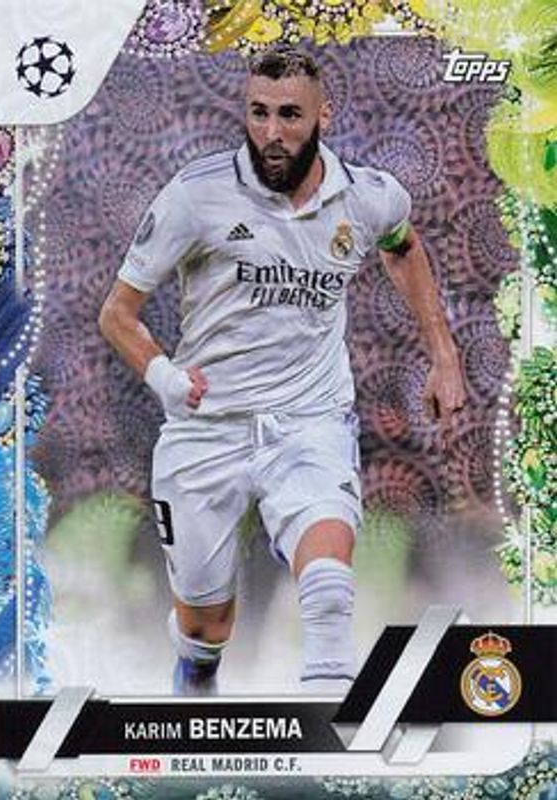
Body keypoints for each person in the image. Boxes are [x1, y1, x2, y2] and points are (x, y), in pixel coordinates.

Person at [98, 47, 466, 696]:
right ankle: (196, 673)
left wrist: (443, 354)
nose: (271, 131)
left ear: (323, 115)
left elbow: (403, 246)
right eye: (258, 113)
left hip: (308, 421)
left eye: (289, 115)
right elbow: (117, 313)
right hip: (207, 429)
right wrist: (165, 378)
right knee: (206, 623)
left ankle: (328, 727)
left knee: (327, 586)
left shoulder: (368, 196)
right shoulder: (195, 195)